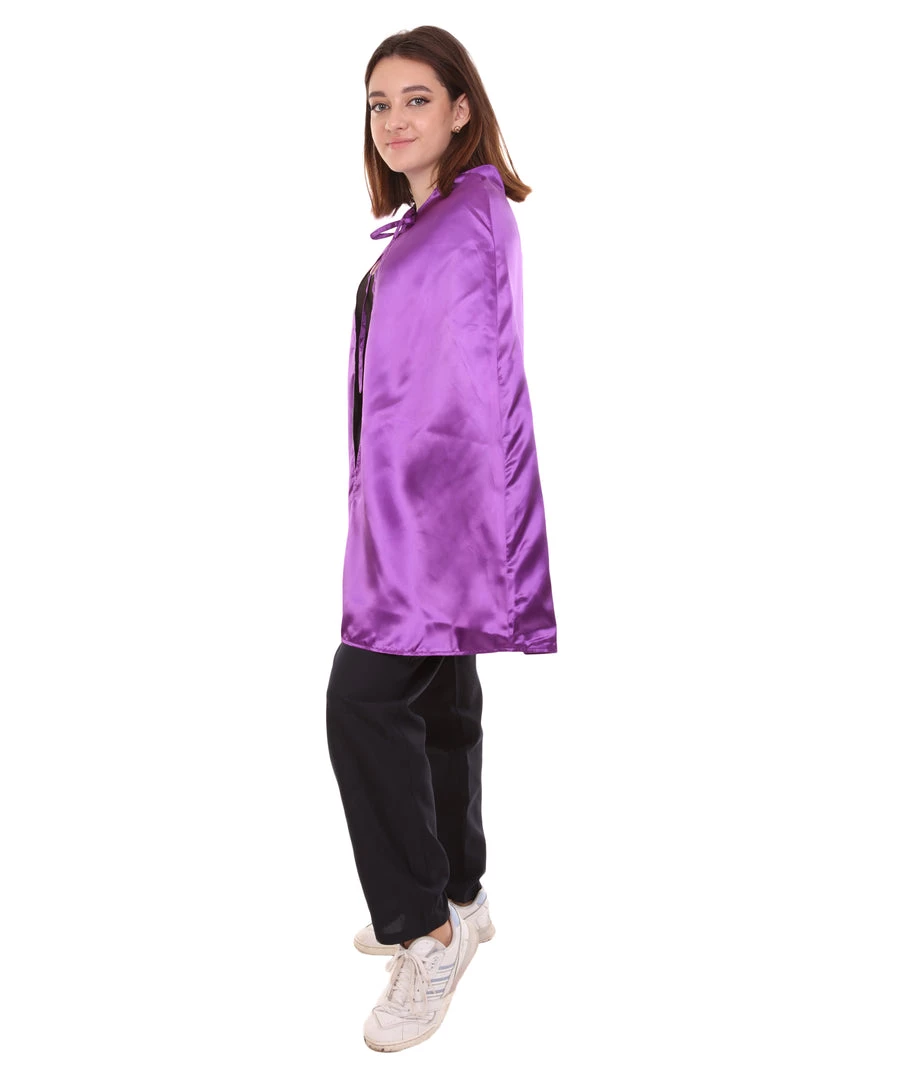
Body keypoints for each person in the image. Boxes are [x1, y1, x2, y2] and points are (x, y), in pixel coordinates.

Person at [325, 25, 557, 1053]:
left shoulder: (461, 227)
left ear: (462, 109)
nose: (393, 120)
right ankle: (461, 894)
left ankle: (422, 931)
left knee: (361, 703)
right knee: (440, 703)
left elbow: (459, 399)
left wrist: (412, 538)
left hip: (433, 518)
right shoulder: (447, 217)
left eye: (416, 99)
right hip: (424, 515)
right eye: (379, 104)